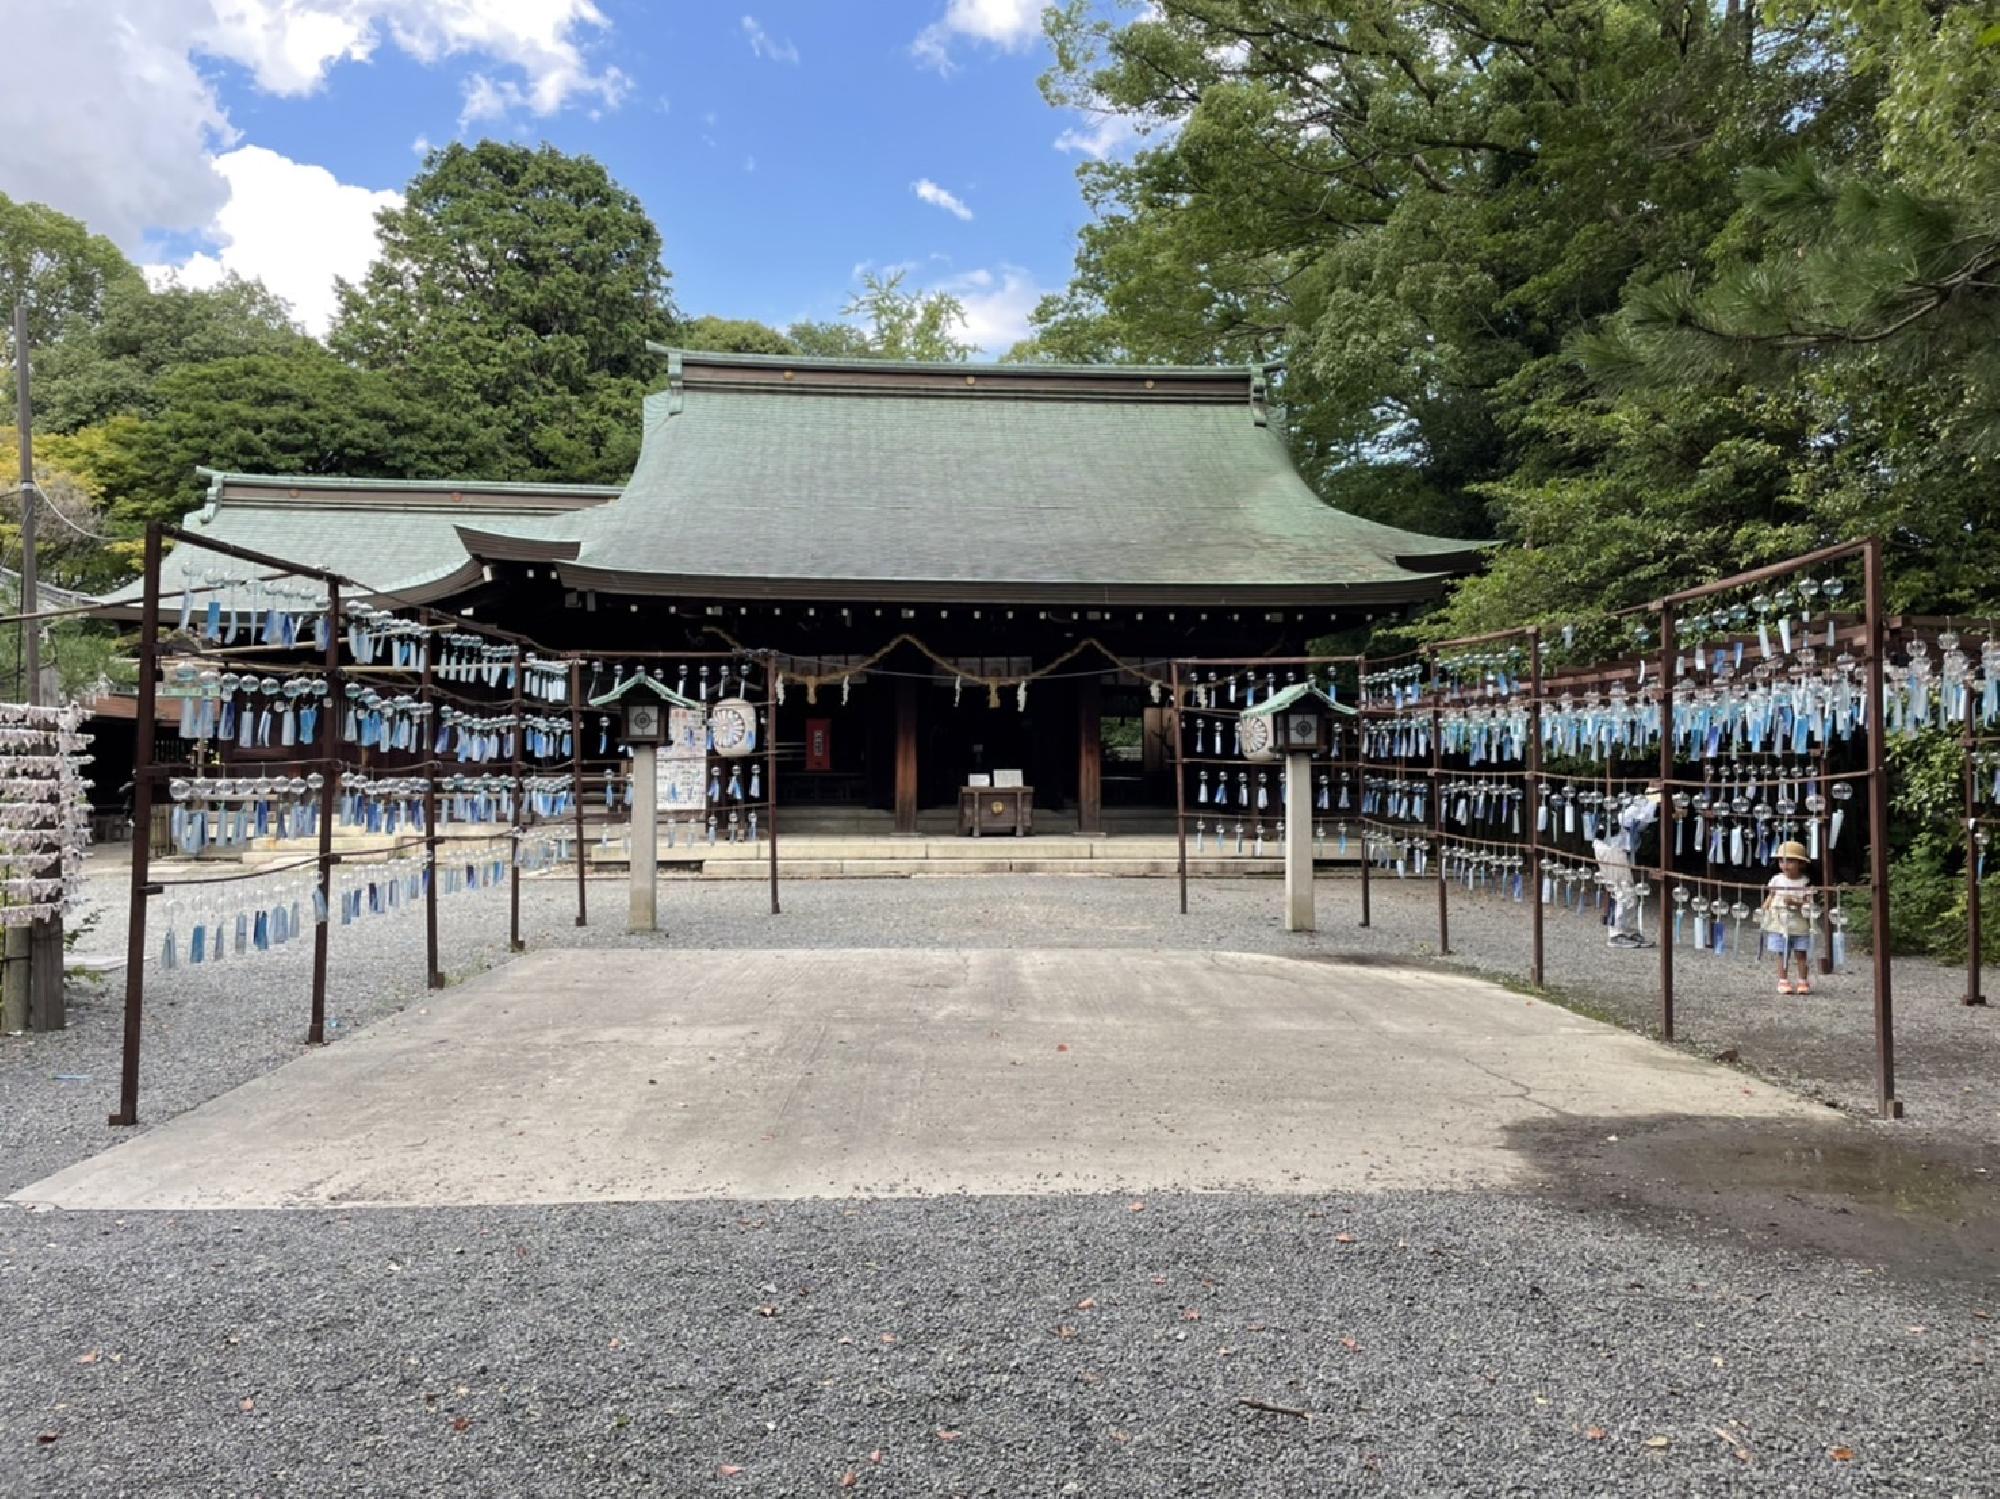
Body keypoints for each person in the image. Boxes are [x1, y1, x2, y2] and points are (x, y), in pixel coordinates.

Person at [1593, 783, 1662, 949]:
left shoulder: (1636, 804)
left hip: (1613, 848)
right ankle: (1616, 933)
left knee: (1626, 889)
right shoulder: (1638, 806)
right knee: (1623, 890)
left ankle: (1629, 930)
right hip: (1611, 849)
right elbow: (1647, 815)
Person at [1760, 840, 1815, 994]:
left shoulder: (1805, 882)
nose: (1785, 865)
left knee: (1801, 952)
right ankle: (1783, 980)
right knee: (1782, 952)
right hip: (1779, 921)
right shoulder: (1777, 879)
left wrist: (1796, 902)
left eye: (1790, 861)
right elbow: (1771, 896)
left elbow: (1809, 904)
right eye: (1781, 861)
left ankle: (1802, 981)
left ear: (1801, 864)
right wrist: (1764, 908)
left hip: (1798, 922)